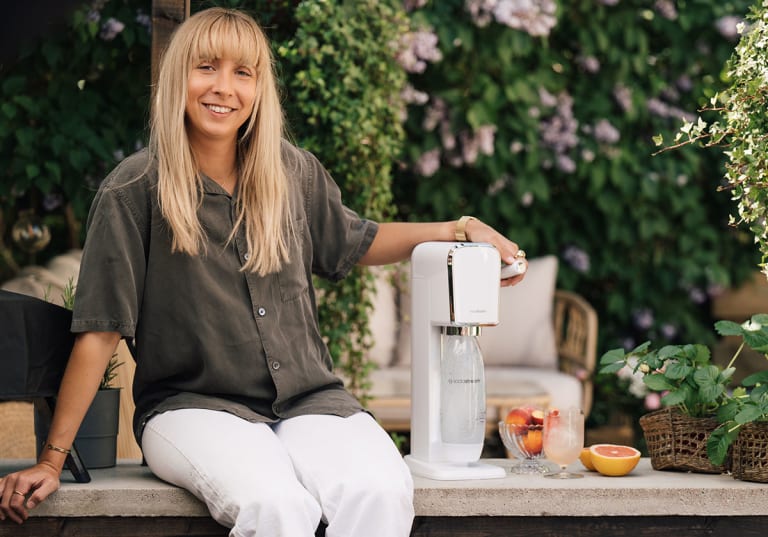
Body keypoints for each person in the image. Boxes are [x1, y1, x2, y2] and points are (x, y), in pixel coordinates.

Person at [0, 7, 527, 536]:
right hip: (191, 408)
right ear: (178, 76)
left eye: (242, 72)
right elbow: (101, 329)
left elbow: (355, 238)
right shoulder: (133, 190)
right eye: (206, 67)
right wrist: (52, 458)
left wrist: (460, 227)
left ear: (259, 88)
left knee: (382, 493)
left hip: (310, 401)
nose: (223, 87)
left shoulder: (293, 172)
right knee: (275, 506)